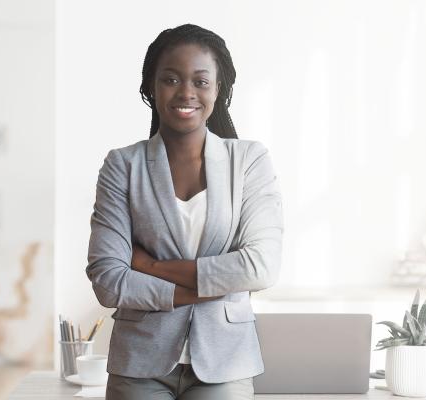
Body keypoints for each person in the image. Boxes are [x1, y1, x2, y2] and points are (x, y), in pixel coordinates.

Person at [85, 24, 283, 400]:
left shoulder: (248, 161)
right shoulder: (122, 165)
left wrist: (152, 267)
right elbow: (108, 281)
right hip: (140, 361)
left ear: (218, 89)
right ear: (151, 88)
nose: (186, 92)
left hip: (225, 362)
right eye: (171, 79)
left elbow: (261, 266)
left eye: (200, 81)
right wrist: (213, 288)